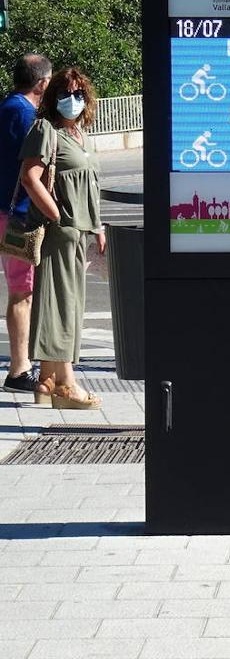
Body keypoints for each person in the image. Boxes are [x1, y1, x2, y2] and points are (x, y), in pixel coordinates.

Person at [19, 67, 104, 410]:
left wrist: (97, 226)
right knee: (61, 306)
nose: (72, 100)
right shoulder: (46, 129)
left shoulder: (82, 135)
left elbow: (90, 187)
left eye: (78, 94)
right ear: (52, 97)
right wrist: (55, 213)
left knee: (67, 304)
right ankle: (66, 384)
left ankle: (47, 380)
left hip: (79, 232)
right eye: (65, 94)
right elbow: (30, 177)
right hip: (59, 233)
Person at [0, 54, 51, 396]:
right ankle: (20, 369)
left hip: (5, 210)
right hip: (17, 214)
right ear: (42, 83)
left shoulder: (7, 107)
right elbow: (34, 169)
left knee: (20, 290)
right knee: (23, 292)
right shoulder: (25, 114)